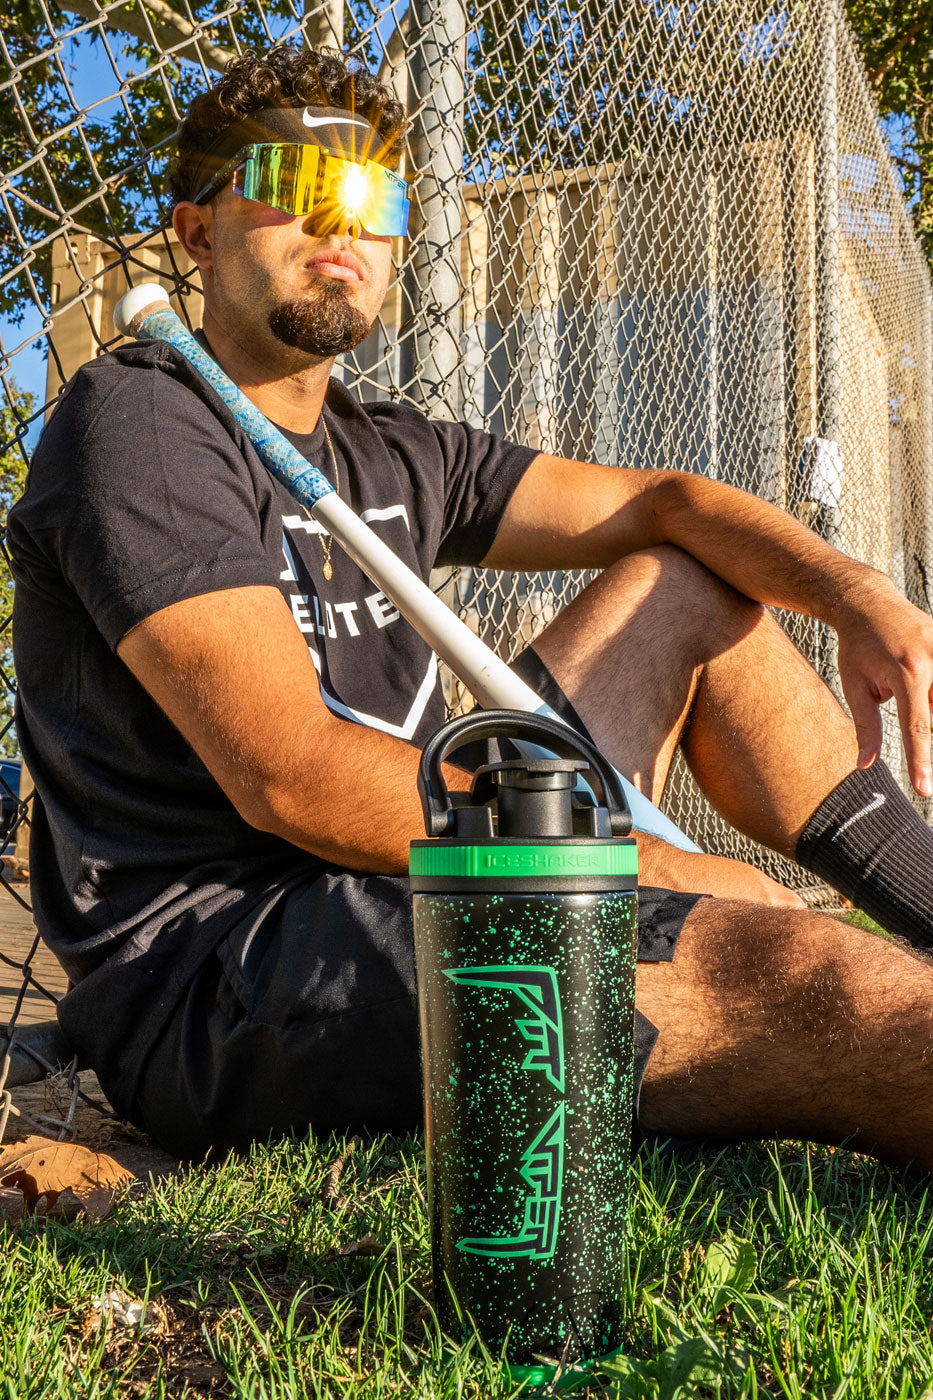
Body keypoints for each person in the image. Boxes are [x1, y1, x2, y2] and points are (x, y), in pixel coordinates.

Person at [10, 44, 933, 1167]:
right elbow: (292, 774)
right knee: (802, 979)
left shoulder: (389, 446)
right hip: (232, 971)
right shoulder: (141, 423)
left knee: (685, 582)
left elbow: (666, 504)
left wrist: (854, 589)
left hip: (410, 868)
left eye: (373, 198)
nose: (340, 225)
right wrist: (645, 866)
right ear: (198, 232)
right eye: (293, 190)